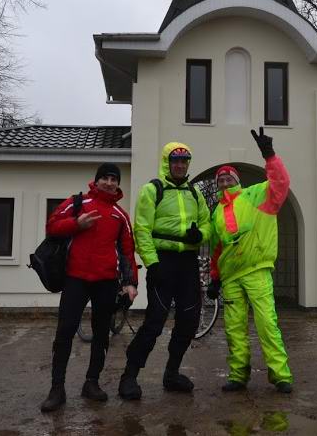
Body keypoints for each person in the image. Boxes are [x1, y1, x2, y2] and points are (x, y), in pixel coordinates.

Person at [40, 163, 138, 412]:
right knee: (65, 331)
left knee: (101, 333)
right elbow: (51, 226)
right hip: (76, 279)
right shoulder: (77, 203)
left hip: (106, 282)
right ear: (96, 180)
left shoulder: (120, 215)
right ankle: (57, 388)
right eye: (104, 178)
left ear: (118, 183)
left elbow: (127, 251)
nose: (109, 182)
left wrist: (130, 283)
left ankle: (91, 383)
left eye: (113, 179)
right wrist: (76, 224)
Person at [118, 142, 211, 400]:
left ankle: (171, 374)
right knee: (154, 323)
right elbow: (142, 229)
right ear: (166, 163)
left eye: (184, 161)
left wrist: (200, 234)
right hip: (163, 262)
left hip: (188, 263)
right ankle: (129, 376)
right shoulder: (152, 190)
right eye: (175, 161)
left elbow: (207, 224)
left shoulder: (195, 193)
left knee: (189, 321)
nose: (180, 165)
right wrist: (152, 263)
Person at [207, 127, 294, 394]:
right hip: (231, 277)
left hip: (257, 271)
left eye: (228, 179)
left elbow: (280, 184)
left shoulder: (256, 195)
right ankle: (238, 375)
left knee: (267, 323)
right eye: (220, 180)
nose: (224, 183)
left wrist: (269, 155)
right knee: (234, 329)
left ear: (237, 180)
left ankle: (280, 375)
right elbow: (216, 249)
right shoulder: (216, 214)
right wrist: (214, 278)